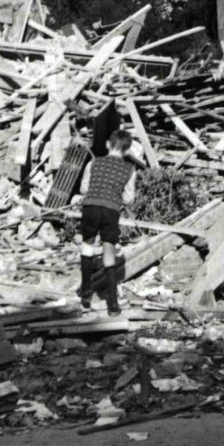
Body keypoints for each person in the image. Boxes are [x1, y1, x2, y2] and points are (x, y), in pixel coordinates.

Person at [77, 129, 137, 316]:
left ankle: (86, 295)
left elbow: (84, 188)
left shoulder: (93, 162)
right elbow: (129, 199)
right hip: (111, 210)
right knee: (109, 254)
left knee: (87, 247)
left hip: (91, 207)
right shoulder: (130, 169)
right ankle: (113, 305)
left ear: (107, 145)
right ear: (127, 150)